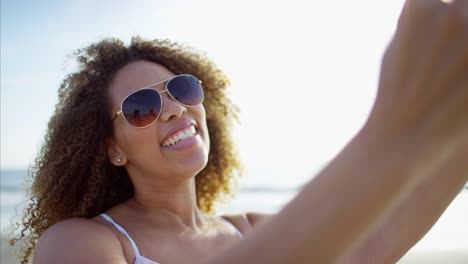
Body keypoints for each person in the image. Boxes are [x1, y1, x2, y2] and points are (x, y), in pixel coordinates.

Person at [10, 0, 468, 263]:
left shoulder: (250, 230)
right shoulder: (81, 242)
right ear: (112, 150)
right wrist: (390, 137)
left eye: (181, 89)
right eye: (143, 107)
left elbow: (376, 243)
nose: (173, 110)